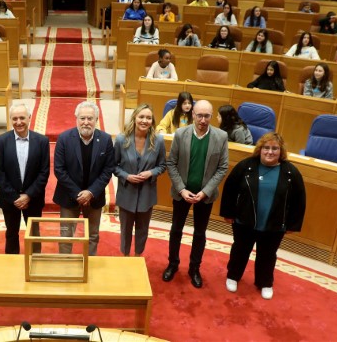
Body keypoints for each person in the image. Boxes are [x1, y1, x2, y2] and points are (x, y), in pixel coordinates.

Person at [220, 132, 306, 300]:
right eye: (266, 147)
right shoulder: (246, 166)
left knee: (267, 254)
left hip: (274, 224)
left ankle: (265, 282)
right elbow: (230, 190)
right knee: (240, 249)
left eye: (275, 148)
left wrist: (292, 225)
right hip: (244, 220)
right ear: (260, 149)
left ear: (281, 151)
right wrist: (228, 213)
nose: (270, 152)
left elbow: (299, 200)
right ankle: (233, 276)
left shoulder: (290, 172)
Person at [163, 100, 229, 288]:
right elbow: (171, 163)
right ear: (192, 114)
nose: (202, 120)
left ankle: (194, 268)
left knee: (199, 233)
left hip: (205, 196)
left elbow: (222, 167)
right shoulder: (180, 134)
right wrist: (182, 189)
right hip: (181, 193)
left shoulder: (221, 136)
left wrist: (205, 192)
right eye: (199, 115)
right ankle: (173, 264)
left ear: (212, 115)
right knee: (176, 230)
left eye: (206, 116)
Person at [53, 101, 115, 256]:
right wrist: (78, 194)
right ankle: (65, 267)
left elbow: (108, 170)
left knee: (92, 235)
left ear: (96, 120)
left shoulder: (106, 140)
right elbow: (59, 170)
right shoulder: (64, 138)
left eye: (90, 118)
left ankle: (90, 264)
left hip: (94, 197)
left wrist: (91, 192)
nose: (86, 122)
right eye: (82, 118)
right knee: (66, 236)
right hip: (68, 196)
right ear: (76, 119)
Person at [0, 103, 50, 254]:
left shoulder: (42, 141)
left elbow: (44, 172)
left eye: (22, 118)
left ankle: (36, 261)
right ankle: (12, 263)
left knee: (34, 234)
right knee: (11, 233)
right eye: (15, 118)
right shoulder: (1, 141)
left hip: (33, 199)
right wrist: (14, 197)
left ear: (29, 118)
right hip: (9, 199)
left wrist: (28, 195)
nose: (18, 122)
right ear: (10, 120)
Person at [114, 104, 166, 256]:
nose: (144, 120)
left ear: (152, 120)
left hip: (147, 194)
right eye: (141, 117)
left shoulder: (158, 141)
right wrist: (126, 176)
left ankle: (138, 256)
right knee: (125, 230)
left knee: (143, 229)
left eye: (148, 118)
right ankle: (125, 256)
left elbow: (162, 165)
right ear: (134, 118)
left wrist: (151, 172)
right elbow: (113, 166)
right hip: (126, 193)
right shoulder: (121, 139)